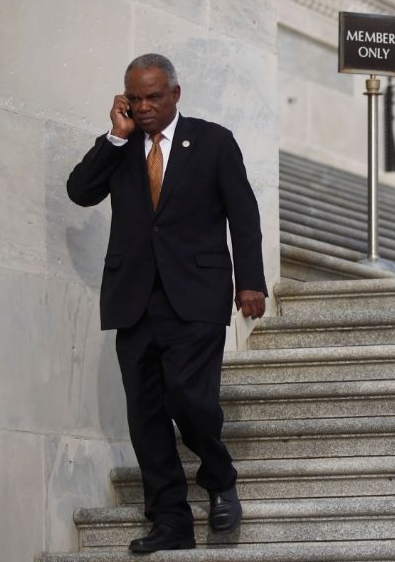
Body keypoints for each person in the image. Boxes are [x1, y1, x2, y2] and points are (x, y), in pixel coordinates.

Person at [67, 53, 266, 553]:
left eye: (153, 97)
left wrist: (252, 283)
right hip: (134, 297)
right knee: (146, 414)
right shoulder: (122, 146)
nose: (144, 107)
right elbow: (79, 191)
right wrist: (115, 136)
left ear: (175, 94)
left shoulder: (214, 141)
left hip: (195, 295)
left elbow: (243, 214)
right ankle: (171, 519)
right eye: (135, 98)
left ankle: (219, 479)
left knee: (190, 399)